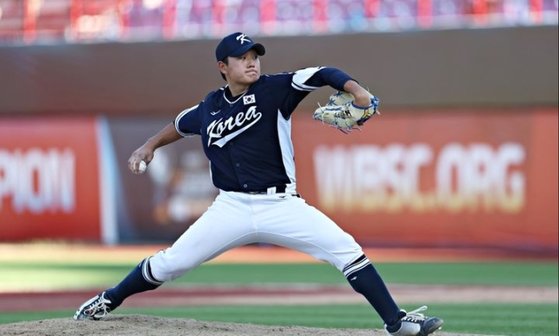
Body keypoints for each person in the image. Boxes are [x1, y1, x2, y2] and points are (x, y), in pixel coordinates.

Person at [73, 32, 444, 336]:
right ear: (223, 66)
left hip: (282, 205)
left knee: (345, 249)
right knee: (170, 264)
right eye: (242, 57)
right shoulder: (210, 107)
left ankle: (396, 323)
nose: (252, 61)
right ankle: (108, 299)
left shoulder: (275, 89)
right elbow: (181, 123)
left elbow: (321, 72)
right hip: (230, 207)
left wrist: (357, 91)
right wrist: (148, 146)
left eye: (255, 55)